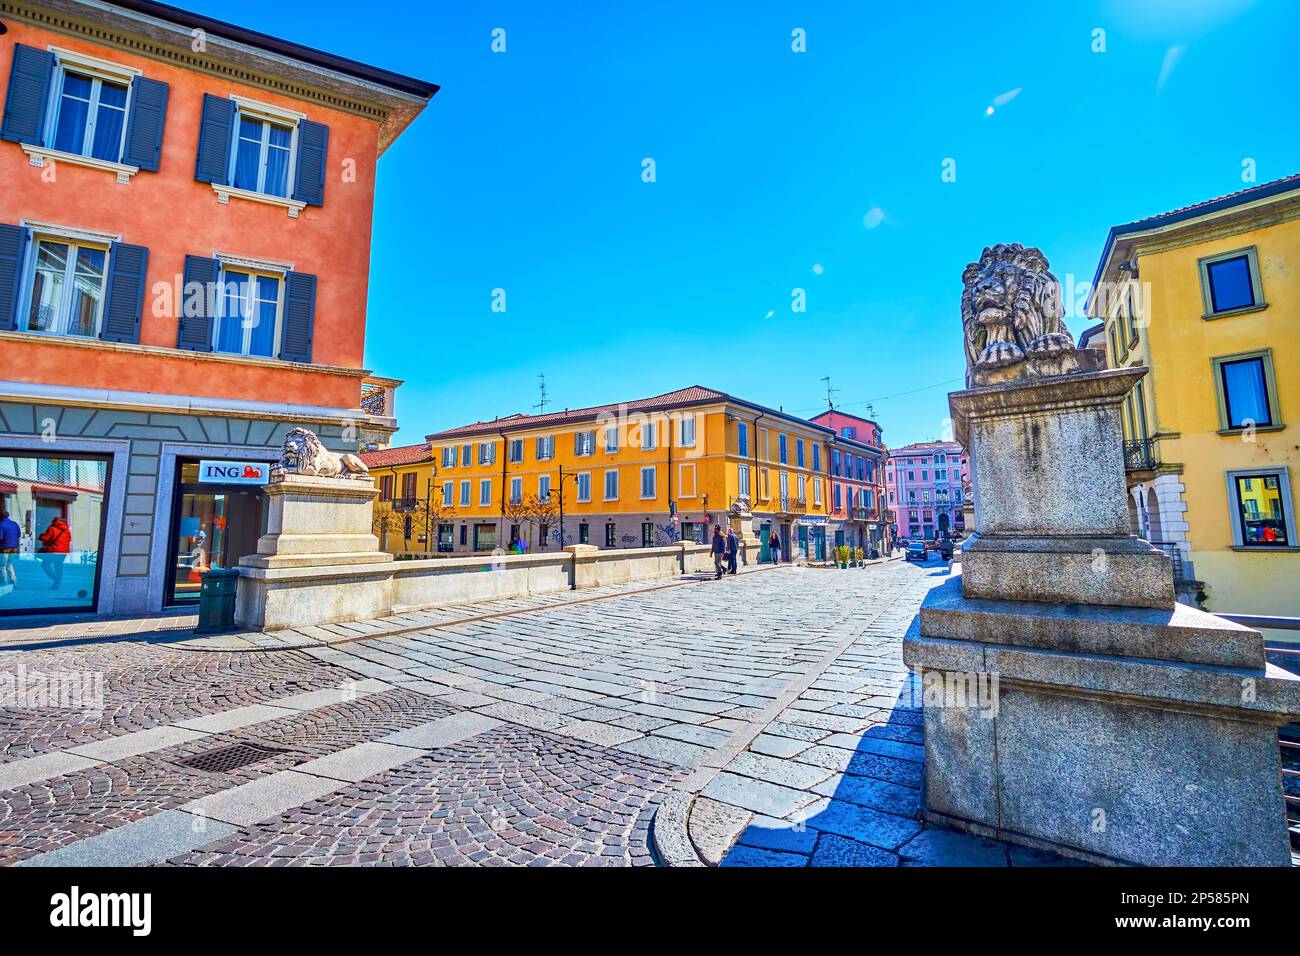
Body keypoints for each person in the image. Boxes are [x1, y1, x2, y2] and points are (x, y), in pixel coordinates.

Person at [37, 515, 71, 590]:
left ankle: (56, 579)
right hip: (64, 552)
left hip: (53, 551)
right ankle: (57, 582)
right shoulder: (67, 530)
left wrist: (41, 536)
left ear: (55, 521)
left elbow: (45, 538)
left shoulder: (52, 528)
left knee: (45, 564)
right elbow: (69, 539)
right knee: (58, 566)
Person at [0, 509, 20, 586]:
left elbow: (1, 538)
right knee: (9, 564)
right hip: (14, 547)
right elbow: (18, 535)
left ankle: (4, 583)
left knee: (2, 566)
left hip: (5, 548)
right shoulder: (15, 524)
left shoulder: (1, 524)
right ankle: (14, 580)